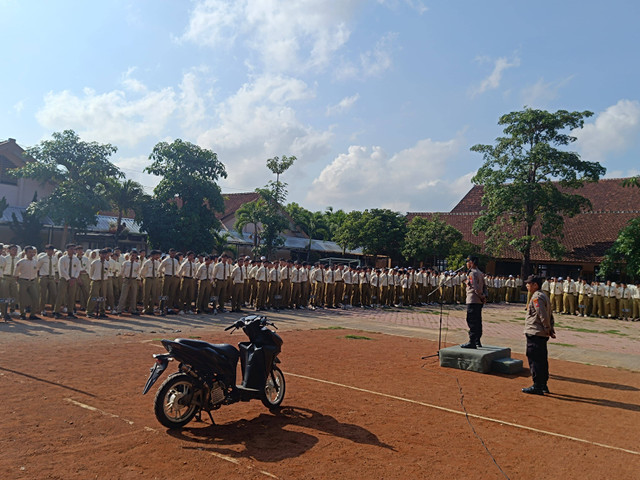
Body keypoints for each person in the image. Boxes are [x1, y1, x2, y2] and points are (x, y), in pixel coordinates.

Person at [522, 275, 555, 395]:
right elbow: (549, 315)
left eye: (529, 283)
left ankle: (537, 385)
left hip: (535, 331)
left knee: (535, 359)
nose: (527, 285)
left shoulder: (537, 297)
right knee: (542, 359)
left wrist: (547, 328)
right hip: (541, 332)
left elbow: (543, 314)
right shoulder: (544, 295)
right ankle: (543, 384)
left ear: (535, 285)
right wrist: (550, 328)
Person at [461, 256, 486, 349]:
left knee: (471, 320)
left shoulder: (472, 273)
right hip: (479, 301)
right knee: (478, 320)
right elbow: (484, 287)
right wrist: (484, 297)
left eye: (467, 262)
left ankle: (472, 341)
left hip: (473, 299)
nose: (466, 264)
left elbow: (476, 288)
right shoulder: (480, 273)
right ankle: (477, 340)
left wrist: (481, 296)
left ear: (471, 262)